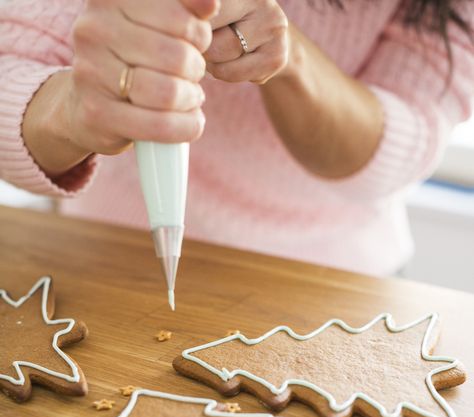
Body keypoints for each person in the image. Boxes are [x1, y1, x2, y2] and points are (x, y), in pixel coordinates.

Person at [0, 0, 473, 276]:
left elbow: (407, 137)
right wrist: (77, 112)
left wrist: (286, 53)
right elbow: (13, 62)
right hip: (104, 263)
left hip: (337, 281)